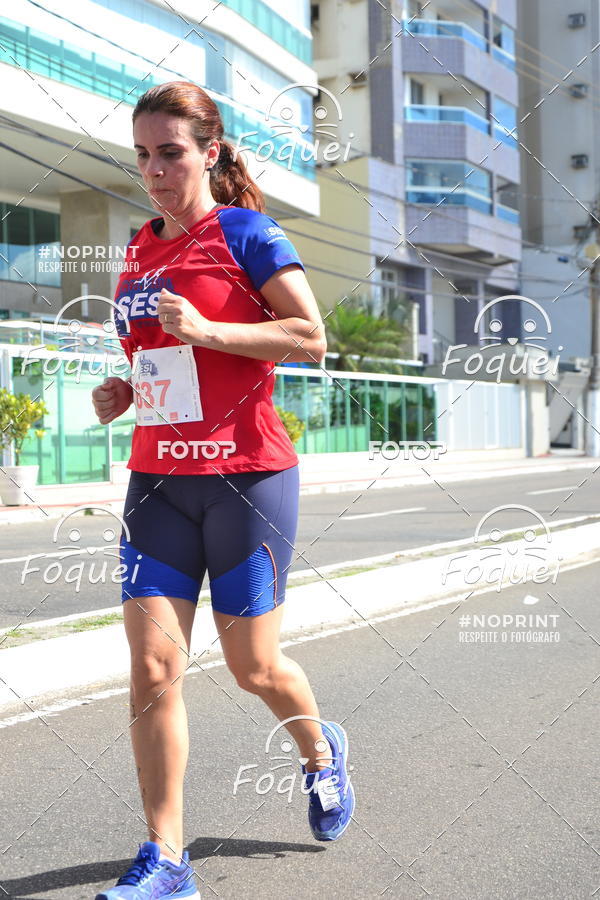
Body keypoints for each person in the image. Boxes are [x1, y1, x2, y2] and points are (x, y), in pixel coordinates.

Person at [91, 81, 355, 900]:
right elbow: (162, 363)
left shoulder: (246, 234)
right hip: (158, 482)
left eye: (169, 153)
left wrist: (211, 330)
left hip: (246, 479)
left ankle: (320, 753)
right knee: (150, 669)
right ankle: (167, 859)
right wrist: (125, 391)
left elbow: (312, 337)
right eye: (141, 155)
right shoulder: (136, 248)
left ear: (209, 151)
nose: (154, 171)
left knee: (252, 666)